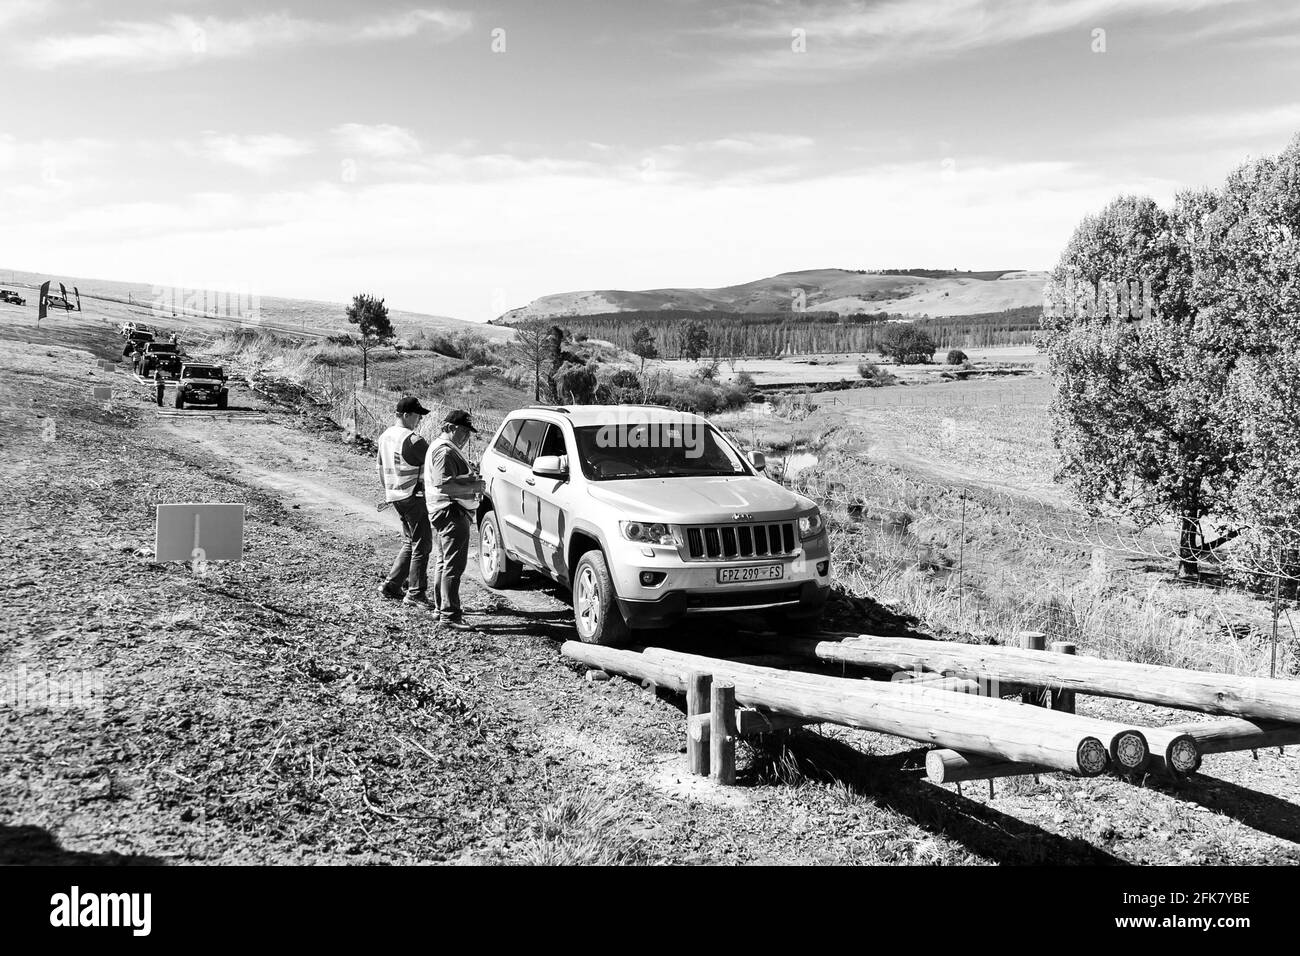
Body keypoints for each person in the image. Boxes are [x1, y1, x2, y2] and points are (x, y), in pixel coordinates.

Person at [425, 409, 485, 629]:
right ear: (449, 427)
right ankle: (449, 615)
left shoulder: (444, 449)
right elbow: (444, 484)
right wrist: (474, 486)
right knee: (453, 565)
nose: (466, 436)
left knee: (444, 562)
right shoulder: (445, 452)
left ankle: (441, 609)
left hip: (445, 511)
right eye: (463, 431)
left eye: (468, 432)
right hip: (451, 512)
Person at [377, 397, 434, 608]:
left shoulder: (385, 436)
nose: (419, 419)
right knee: (423, 544)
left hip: (395, 495)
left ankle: (391, 585)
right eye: (418, 415)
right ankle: (416, 593)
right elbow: (434, 465)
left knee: (410, 542)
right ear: (406, 415)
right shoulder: (413, 440)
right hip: (413, 495)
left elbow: (380, 469)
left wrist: (389, 490)